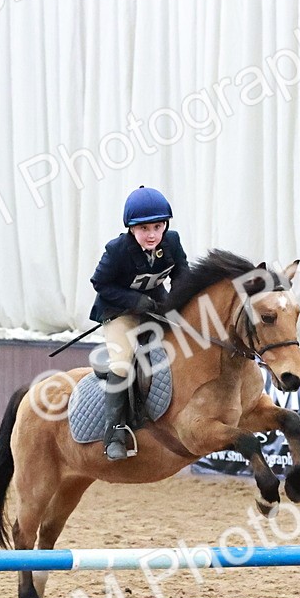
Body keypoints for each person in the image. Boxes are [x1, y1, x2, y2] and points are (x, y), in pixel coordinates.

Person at [89, 186, 189, 461]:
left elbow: (181, 275)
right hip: (120, 311)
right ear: (131, 229)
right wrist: (134, 300)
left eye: (158, 227)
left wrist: (179, 304)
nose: (152, 234)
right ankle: (115, 433)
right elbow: (100, 283)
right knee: (122, 362)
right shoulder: (117, 250)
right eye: (144, 228)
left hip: (156, 307)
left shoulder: (172, 241)